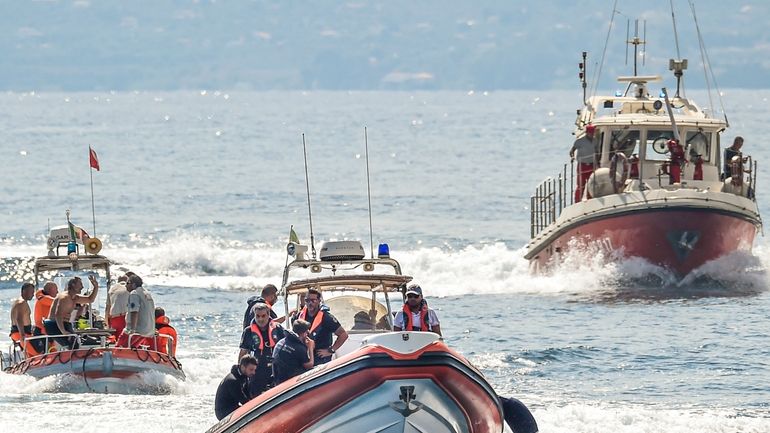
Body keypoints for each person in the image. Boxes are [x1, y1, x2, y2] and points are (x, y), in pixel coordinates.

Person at [290, 288, 348, 365]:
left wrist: (331, 350)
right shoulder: (299, 316)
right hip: (304, 355)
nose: (310, 303)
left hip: (320, 357)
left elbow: (343, 335)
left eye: (313, 300)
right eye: (307, 300)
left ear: (319, 301)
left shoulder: (327, 318)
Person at [239, 302, 285, 397]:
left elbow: (286, 347)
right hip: (257, 371)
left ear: (268, 315)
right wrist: (241, 371)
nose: (261, 319)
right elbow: (243, 352)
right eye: (258, 316)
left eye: (263, 316)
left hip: (275, 368)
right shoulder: (248, 331)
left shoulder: (278, 328)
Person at [44, 275, 99, 349]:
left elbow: (90, 299)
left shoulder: (74, 298)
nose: (82, 287)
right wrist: (63, 331)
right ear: (73, 285)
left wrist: (95, 287)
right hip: (54, 325)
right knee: (72, 345)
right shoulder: (64, 297)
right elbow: (58, 315)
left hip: (65, 323)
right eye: (80, 284)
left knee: (75, 344)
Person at [117, 274, 156, 349]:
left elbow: (134, 312)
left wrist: (132, 330)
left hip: (138, 330)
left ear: (133, 284)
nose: (125, 286)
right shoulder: (147, 294)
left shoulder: (134, 293)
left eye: (127, 283)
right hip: (148, 330)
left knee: (119, 347)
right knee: (132, 347)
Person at [214, 354, 257, 421]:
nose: (253, 372)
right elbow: (243, 400)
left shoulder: (244, 376)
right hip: (223, 412)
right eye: (251, 370)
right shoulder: (232, 380)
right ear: (243, 367)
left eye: (254, 370)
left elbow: (248, 396)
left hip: (233, 407)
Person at [271, 319, 315, 385]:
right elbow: (309, 365)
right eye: (306, 332)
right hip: (289, 383)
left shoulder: (282, 341)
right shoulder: (299, 348)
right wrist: (310, 348)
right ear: (303, 334)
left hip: (277, 380)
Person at [10, 283, 41, 357]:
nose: (33, 295)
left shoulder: (18, 302)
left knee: (30, 356)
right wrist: (22, 335)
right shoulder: (21, 303)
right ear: (24, 291)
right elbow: (18, 319)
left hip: (20, 332)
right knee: (38, 353)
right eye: (31, 292)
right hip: (21, 333)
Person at [569, 124, 599, 202]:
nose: (592, 134)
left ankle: (590, 199)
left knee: (591, 183)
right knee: (580, 185)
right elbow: (572, 150)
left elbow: (596, 151)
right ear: (587, 132)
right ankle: (577, 201)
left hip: (592, 165)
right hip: (582, 165)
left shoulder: (595, 141)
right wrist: (572, 157)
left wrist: (597, 162)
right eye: (590, 132)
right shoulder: (579, 141)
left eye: (593, 133)